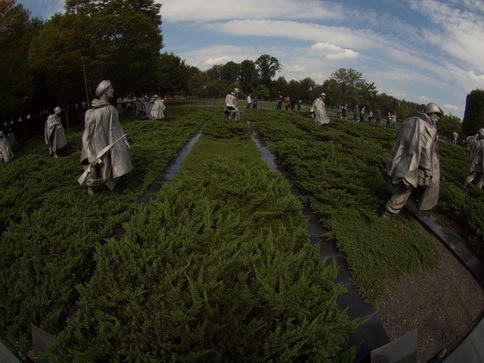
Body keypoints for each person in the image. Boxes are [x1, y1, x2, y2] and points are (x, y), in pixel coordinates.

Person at [382, 103, 442, 218]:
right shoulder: (429, 128)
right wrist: (428, 169)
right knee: (405, 191)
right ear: (432, 114)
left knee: (403, 188)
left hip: (401, 161)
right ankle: (387, 214)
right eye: (437, 115)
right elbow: (426, 149)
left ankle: (389, 208)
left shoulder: (409, 121)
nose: (438, 118)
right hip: (414, 167)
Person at [79, 80, 133, 195]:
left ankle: (112, 186)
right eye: (110, 89)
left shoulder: (112, 109)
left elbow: (118, 127)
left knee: (112, 165)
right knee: (93, 171)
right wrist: (90, 155)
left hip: (111, 144)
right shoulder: (93, 113)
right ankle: (91, 188)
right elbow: (85, 137)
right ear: (104, 92)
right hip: (96, 148)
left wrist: (124, 140)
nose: (113, 90)